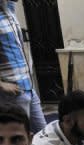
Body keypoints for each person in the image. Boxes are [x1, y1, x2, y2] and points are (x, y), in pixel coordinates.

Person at [0, 0, 46, 133]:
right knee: (19, 138)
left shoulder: (9, 9)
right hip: (10, 92)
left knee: (43, 135)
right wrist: (1, 84)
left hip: (28, 87)